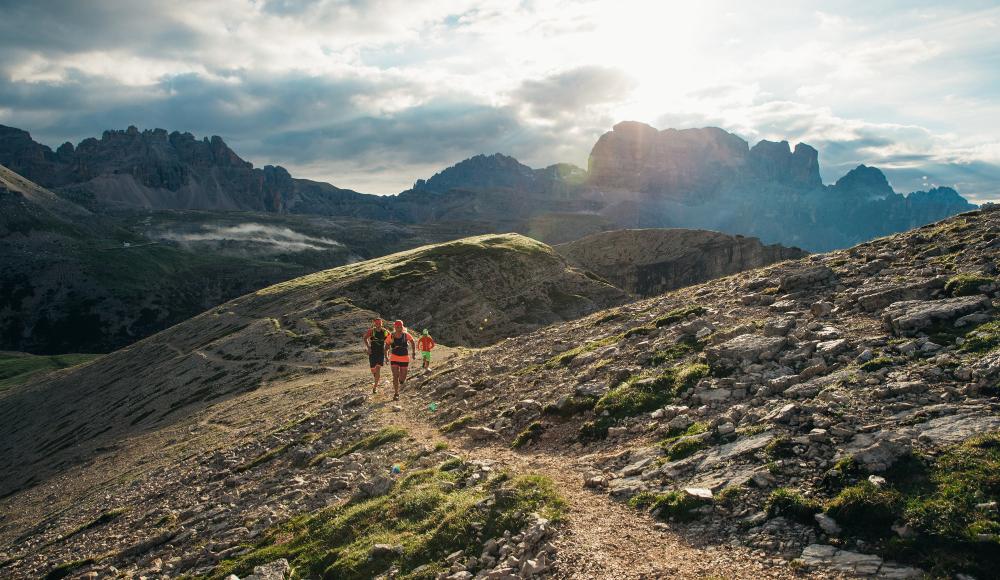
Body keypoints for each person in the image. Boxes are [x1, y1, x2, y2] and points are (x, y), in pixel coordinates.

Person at [384, 320, 416, 400]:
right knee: (395, 375)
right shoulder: (391, 336)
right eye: (397, 327)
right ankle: (396, 393)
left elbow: (412, 342)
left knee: (403, 377)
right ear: (395, 327)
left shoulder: (406, 335)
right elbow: (386, 346)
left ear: (402, 326)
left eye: (400, 327)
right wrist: (386, 356)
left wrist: (413, 352)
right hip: (394, 357)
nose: (399, 328)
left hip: (404, 358)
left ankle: (401, 382)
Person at [362, 318, 388, 394]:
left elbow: (389, 340)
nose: (378, 325)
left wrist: (386, 352)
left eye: (379, 323)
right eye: (377, 323)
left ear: (381, 324)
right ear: (374, 324)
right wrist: (368, 347)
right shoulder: (371, 331)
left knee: (378, 368)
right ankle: (376, 378)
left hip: (380, 352)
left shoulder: (385, 332)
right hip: (372, 353)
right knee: (373, 370)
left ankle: (375, 387)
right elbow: (365, 338)